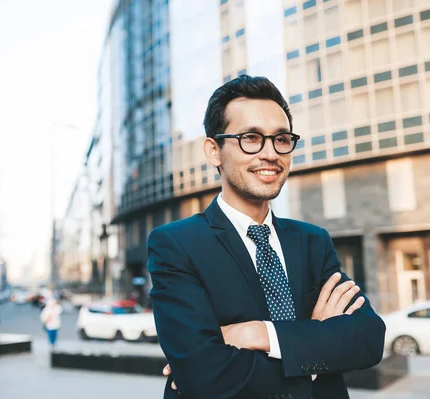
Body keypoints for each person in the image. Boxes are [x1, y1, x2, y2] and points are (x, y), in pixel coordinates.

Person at [148, 75, 386, 399]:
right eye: (251, 137)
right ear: (214, 151)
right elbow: (204, 376)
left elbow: (368, 338)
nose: (270, 153)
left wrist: (261, 334)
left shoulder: (313, 242)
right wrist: (314, 350)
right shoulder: (175, 245)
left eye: (281, 139)